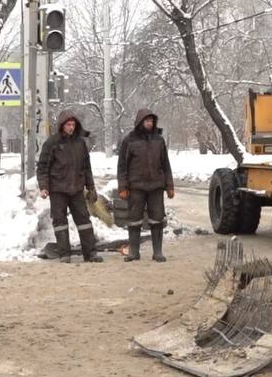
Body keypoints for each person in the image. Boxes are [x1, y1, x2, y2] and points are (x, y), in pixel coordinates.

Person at [36, 110, 102, 264]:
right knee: (60, 222)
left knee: (84, 221)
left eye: (73, 124)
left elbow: (86, 167)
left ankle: (90, 253)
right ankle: (65, 254)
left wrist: (91, 187)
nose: (71, 127)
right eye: (68, 125)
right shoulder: (52, 143)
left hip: (77, 188)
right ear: (62, 125)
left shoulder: (80, 143)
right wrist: (44, 186)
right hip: (57, 189)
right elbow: (43, 167)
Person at [118, 109, 174, 262]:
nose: (149, 123)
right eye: (146, 120)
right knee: (134, 220)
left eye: (151, 120)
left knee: (157, 219)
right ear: (140, 122)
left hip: (156, 187)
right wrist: (123, 187)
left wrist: (169, 185)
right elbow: (122, 166)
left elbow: (166, 164)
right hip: (136, 187)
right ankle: (134, 252)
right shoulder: (129, 141)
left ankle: (157, 252)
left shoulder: (159, 140)